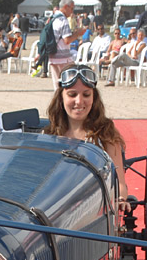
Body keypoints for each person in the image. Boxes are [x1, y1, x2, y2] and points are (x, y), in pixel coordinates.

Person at [44, 64, 126, 200]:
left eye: (86, 94)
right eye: (72, 94)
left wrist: (120, 200)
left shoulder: (105, 133)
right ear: (61, 97)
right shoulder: (49, 135)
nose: (79, 101)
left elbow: (120, 185)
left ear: (94, 98)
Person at [49, 0, 87, 84]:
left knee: (57, 83)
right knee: (70, 81)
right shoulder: (63, 20)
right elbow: (67, 40)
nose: (72, 11)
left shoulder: (53, 18)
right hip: (63, 56)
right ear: (66, 7)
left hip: (53, 55)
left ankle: (58, 97)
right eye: (72, 8)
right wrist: (78, 33)